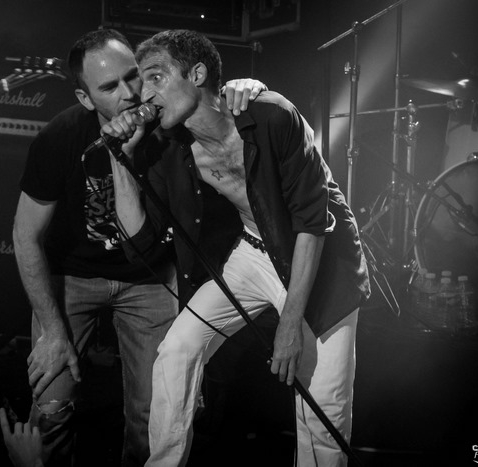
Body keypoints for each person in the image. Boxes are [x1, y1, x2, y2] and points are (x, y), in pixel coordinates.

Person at [102, 30, 371, 466]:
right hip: (252, 251)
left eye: (155, 77)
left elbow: (312, 224)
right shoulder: (168, 145)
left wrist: (290, 323)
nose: (143, 94)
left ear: (197, 74)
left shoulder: (270, 115)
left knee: (323, 413)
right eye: (142, 82)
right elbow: (138, 244)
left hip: (320, 260)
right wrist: (122, 156)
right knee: (177, 350)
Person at [12, 28, 266, 467]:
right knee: (51, 407)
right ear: (85, 98)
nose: (131, 94)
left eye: (134, 76)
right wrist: (52, 331)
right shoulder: (61, 137)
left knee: (157, 415)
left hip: (150, 278)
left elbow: (213, 101)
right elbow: (24, 235)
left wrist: (250, 88)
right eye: (109, 87)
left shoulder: (171, 123)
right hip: (74, 277)